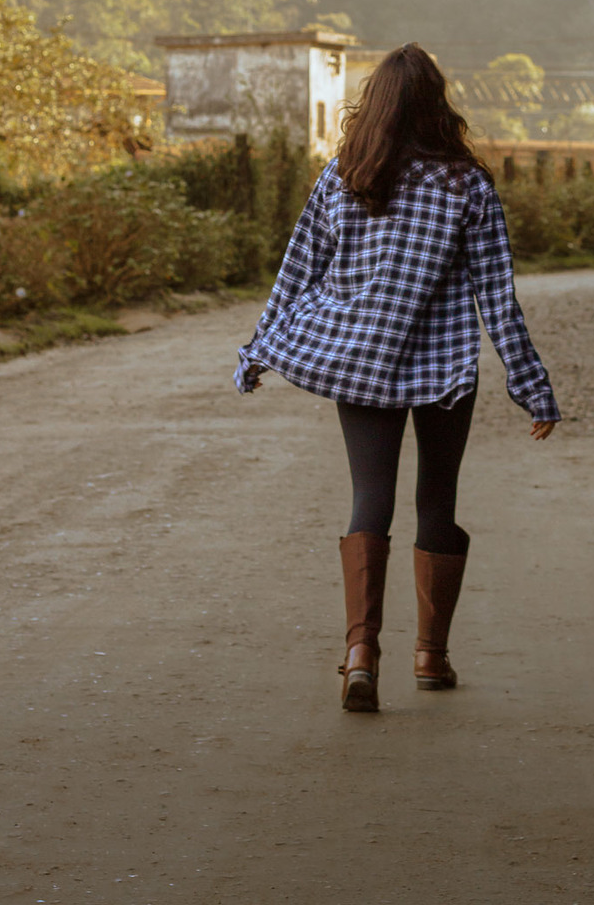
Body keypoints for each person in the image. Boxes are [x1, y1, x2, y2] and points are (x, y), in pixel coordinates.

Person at [234, 43, 560, 713]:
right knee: (436, 505)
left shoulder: (345, 176)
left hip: (360, 362)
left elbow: (297, 273)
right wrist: (532, 387)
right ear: (438, 107)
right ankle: (430, 658)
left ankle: (360, 653)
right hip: (443, 372)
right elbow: (497, 299)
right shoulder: (466, 186)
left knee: (369, 500)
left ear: (375, 106)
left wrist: (257, 350)